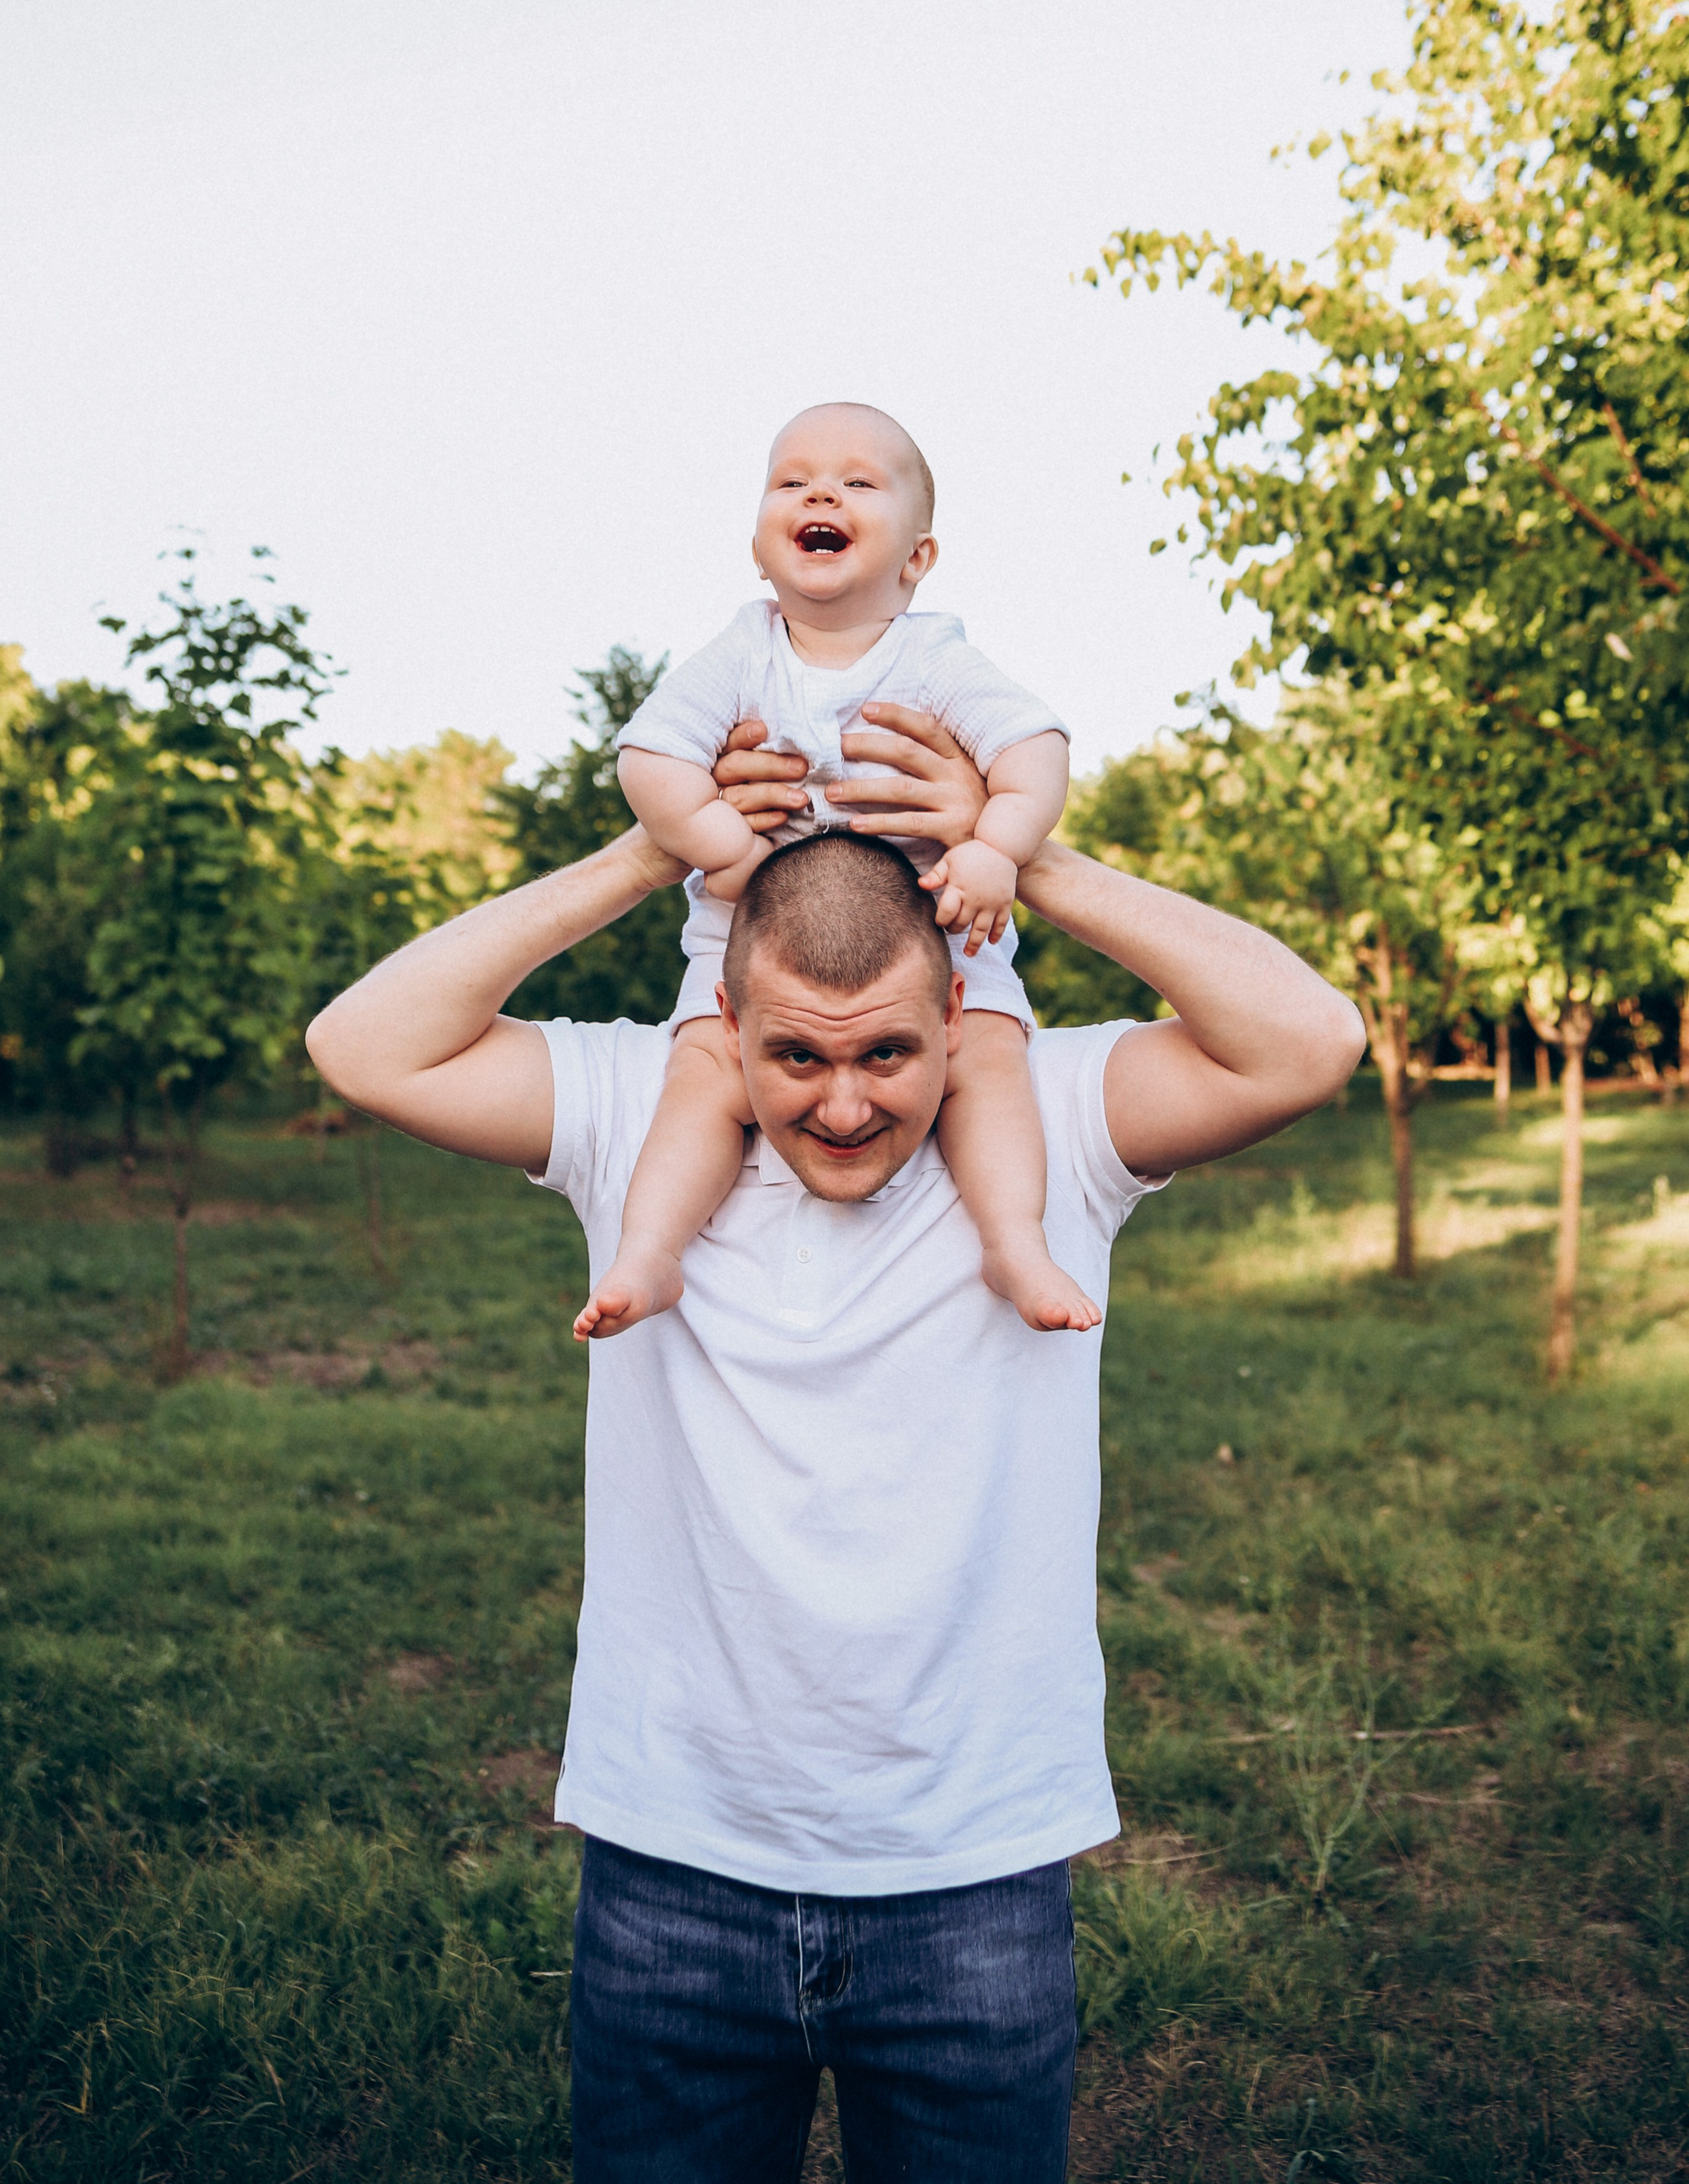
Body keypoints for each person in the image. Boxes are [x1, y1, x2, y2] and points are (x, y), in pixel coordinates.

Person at [305, 707, 1363, 2184]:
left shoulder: (1047, 1123)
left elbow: (1311, 1037)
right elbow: (358, 1043)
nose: (847, 1101)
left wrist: (1017, 853)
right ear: (726, 1030)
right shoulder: (639, 1116)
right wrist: (646, 848)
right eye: (795, 1054)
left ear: (960, 1026)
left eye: (889, 1053)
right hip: (675, 1862)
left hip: (971, 1879)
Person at [581, 399, 1099, 1343]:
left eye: (861, 482)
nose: (822, 489)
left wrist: (993, 848)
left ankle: (1013, 1238)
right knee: (702, 1077)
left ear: (918, 557)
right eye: (794, 479)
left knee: (988, 1062)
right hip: (747, 948)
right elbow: (649, 756)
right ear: (758, 545)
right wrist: (723, 843)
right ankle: (652, 1248)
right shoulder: (743, 654)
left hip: (945, 941)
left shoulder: (934, 659)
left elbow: (1036, 750)